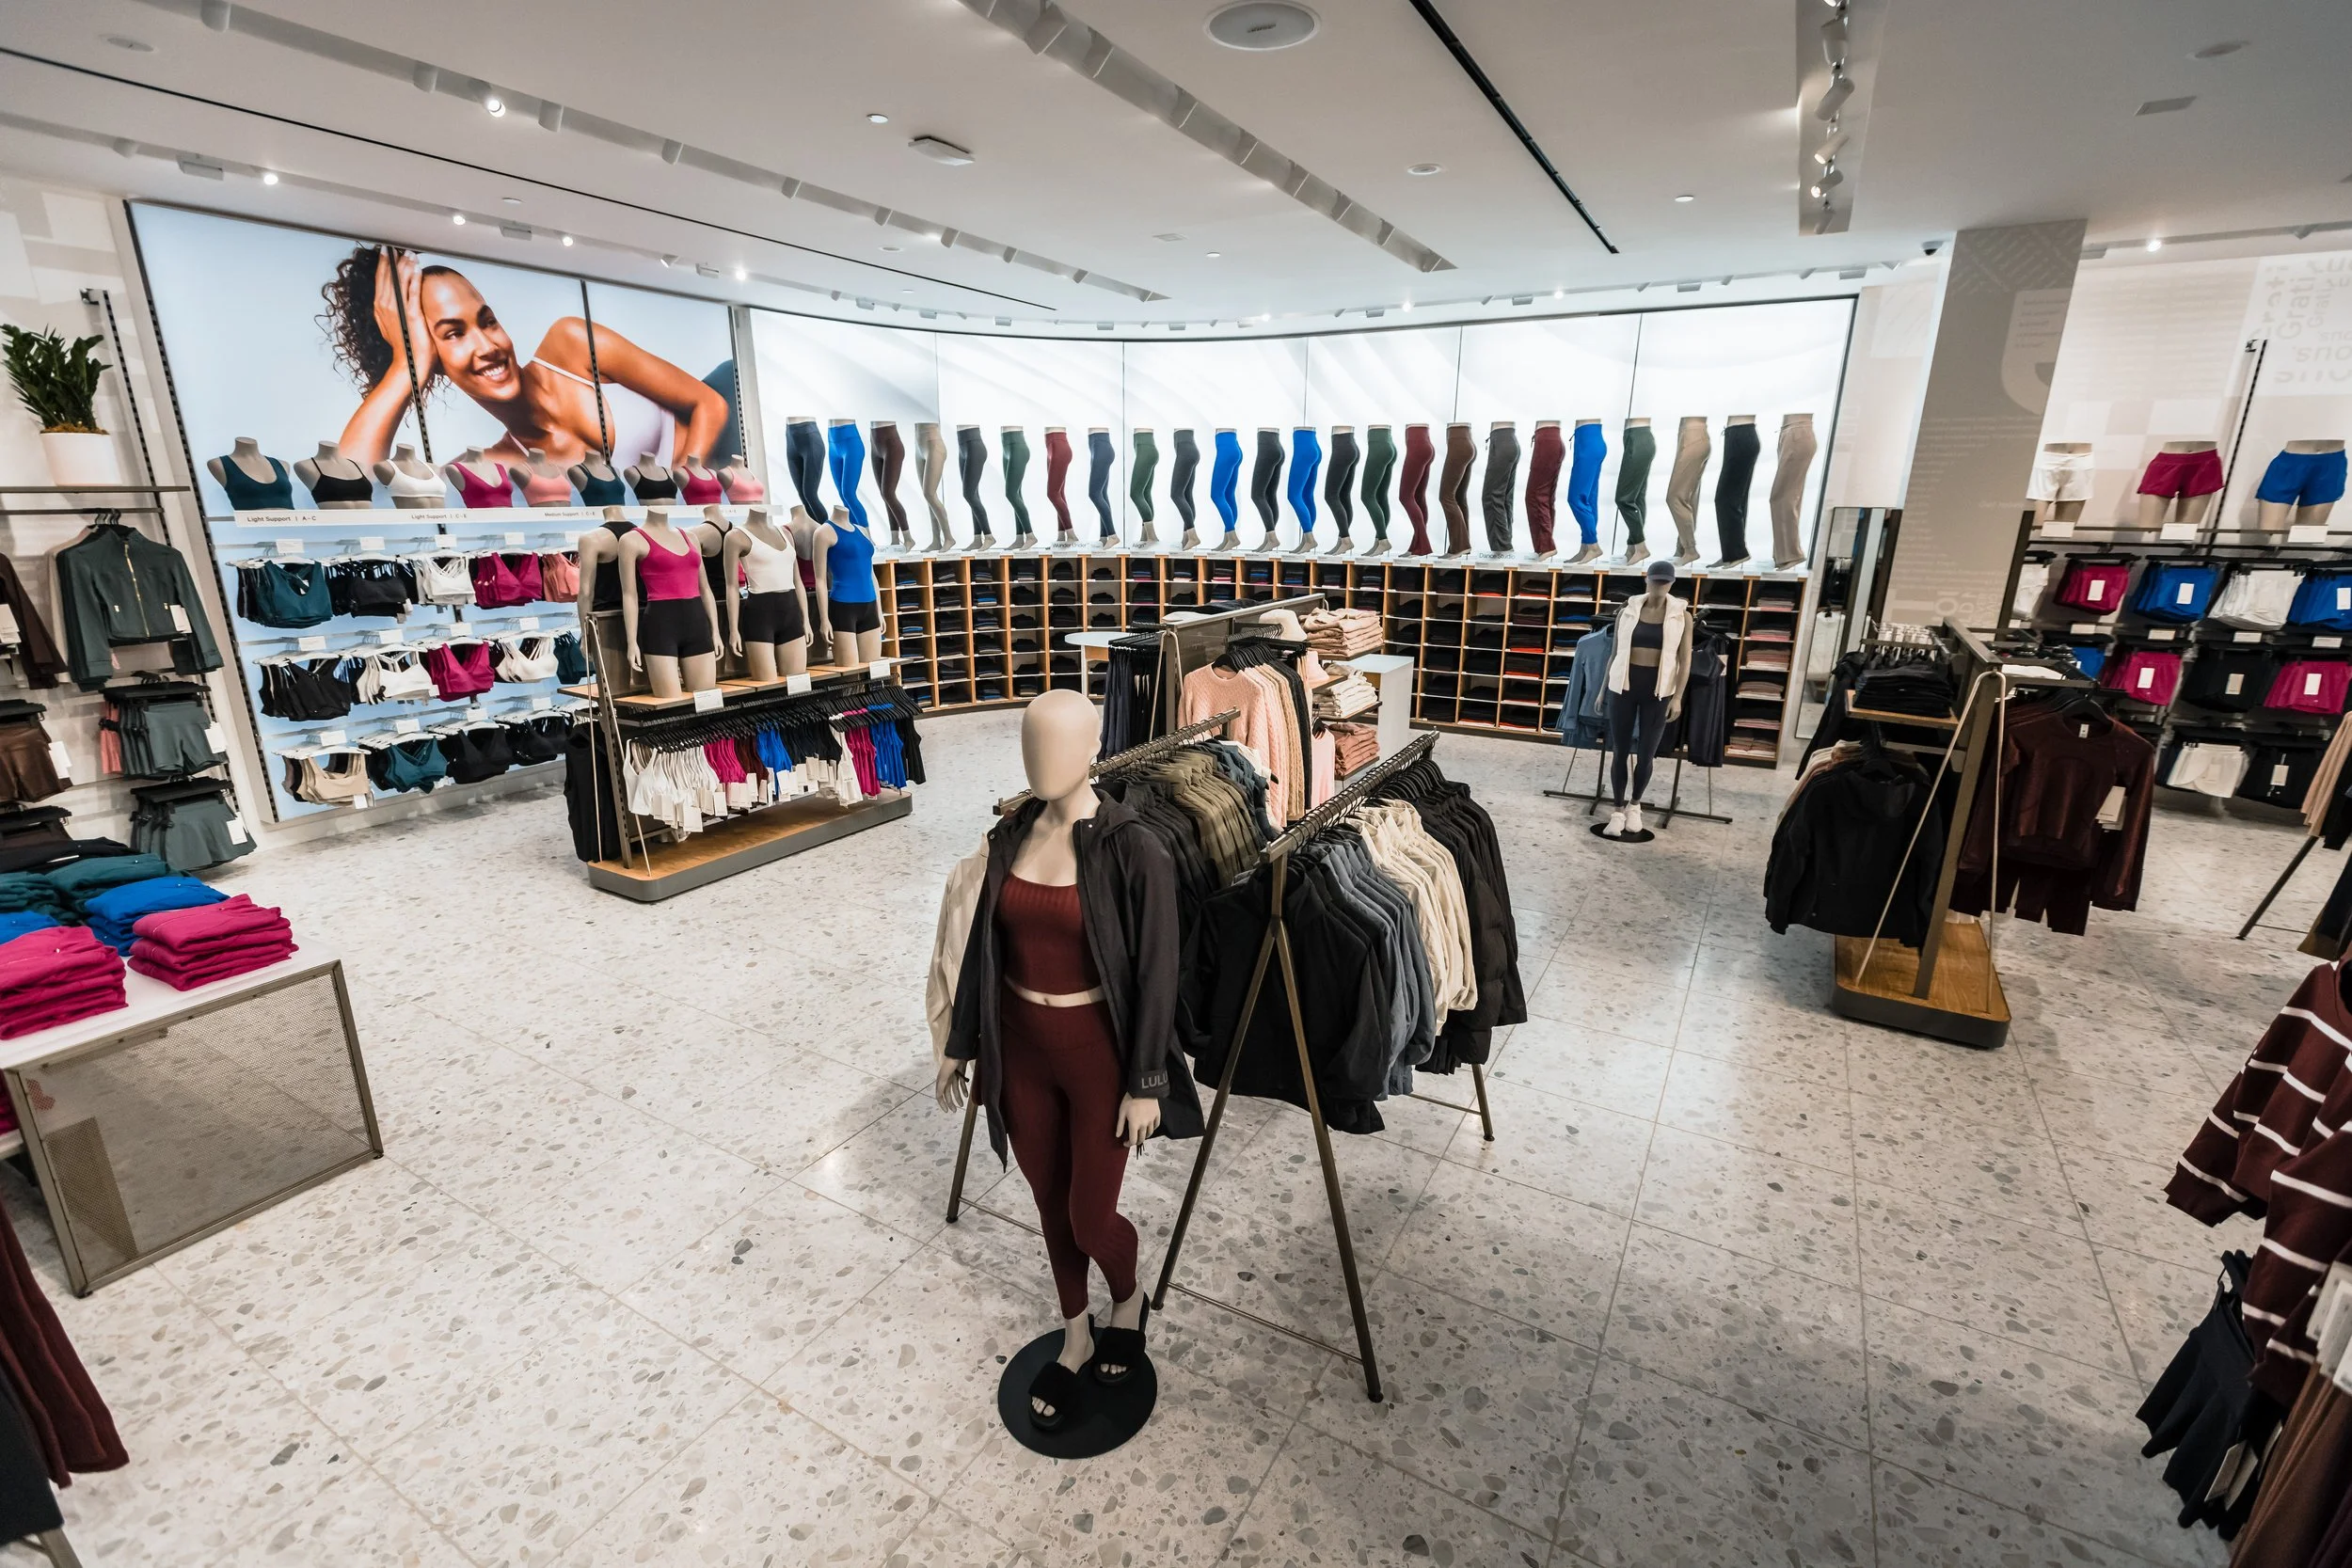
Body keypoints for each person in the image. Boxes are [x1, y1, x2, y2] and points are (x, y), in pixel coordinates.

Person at [321, 246, 729, 470]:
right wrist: (404, 367)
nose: (487, 345)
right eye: (454, 334)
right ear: (431, 357)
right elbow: (351, 477)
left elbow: (709, 404)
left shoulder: (571, 345)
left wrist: (679, 500)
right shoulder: (490, 465)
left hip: (730, 439)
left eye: (488, 321)